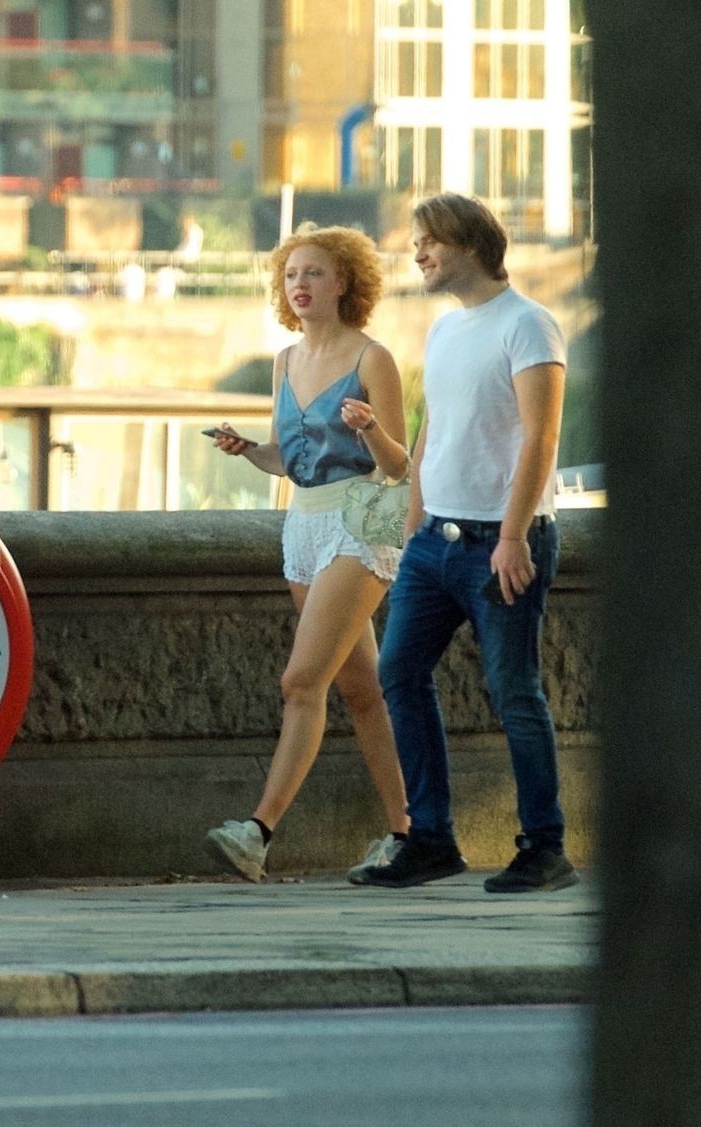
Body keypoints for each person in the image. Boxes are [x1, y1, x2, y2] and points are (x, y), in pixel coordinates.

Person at [351, 193, 576, 894]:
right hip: (434, 542)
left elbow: (541, 437)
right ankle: (431, 839)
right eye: (416, 241)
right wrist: (413, 524)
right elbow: (432, 431)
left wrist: (513, 535)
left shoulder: (528, 325)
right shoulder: (446, 330)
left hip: (498, 544)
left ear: (472, 245)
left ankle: (544, 847)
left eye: (430, 241)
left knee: (514, 692)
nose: (417, 253)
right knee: (398, 673)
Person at [202, 223, 413, 882]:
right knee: (361, 691)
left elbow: (400, 466)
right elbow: (287, 459)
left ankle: (257, 831)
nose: (300, 284)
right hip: (304, 523)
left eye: (314, 272)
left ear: (344, 281)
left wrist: (369, 427)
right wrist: (248, 450)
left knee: (300, 682)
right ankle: (410, 831)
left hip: (359, 521)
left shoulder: (372, 358)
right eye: (292, 274)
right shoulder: (285, 361)